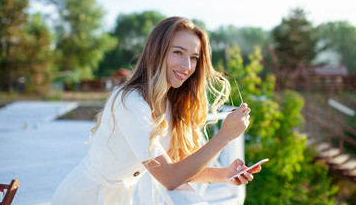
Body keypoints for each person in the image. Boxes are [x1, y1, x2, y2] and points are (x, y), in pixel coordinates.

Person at [51, 17, 262, 205]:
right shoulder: (130, 101)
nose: (187, 66)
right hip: (82, 197)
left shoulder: (169, 101)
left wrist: (225, 173)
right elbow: (169, 178)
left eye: (194, 58)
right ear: (157, 53)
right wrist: (224, 136)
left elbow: (179, 167)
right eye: (178, 52)